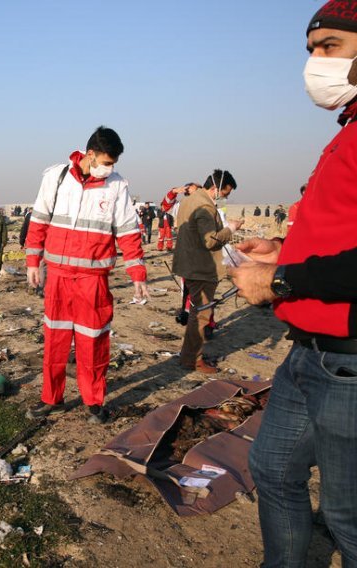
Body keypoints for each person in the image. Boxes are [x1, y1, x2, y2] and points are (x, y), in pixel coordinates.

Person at [229, 6, 357, 565]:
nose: (315, 63)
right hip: (308, 354)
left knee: (348, 517)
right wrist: (285, 253)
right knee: (272, 469)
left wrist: (279, 279)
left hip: (348, 365)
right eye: (311, 49)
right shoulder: (348, 131)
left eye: (329, 46)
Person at [24, 126, 148, 424]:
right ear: (89, 154)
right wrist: (32, 261)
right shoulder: (56, 177)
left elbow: (129, 231)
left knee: (94, 342)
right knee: (55, 341)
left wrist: (138, 274)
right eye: (106, 162)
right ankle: (51, 399)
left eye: (113, 164)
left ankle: (94, 402)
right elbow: (39, 219)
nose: (109, 169)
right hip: (58, 278)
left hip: (93, 281)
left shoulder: (117, 186)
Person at [172, 170, 244, 374]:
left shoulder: (190, 199)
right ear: (216, 188)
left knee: (197, 313)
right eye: (226, 194)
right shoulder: (204, 206)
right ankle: (193, 360)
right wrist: (231, 229)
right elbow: (210, 241)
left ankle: (189, 357)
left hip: (190, 264)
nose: (226, 198)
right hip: (201, 267)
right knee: (201, 315)